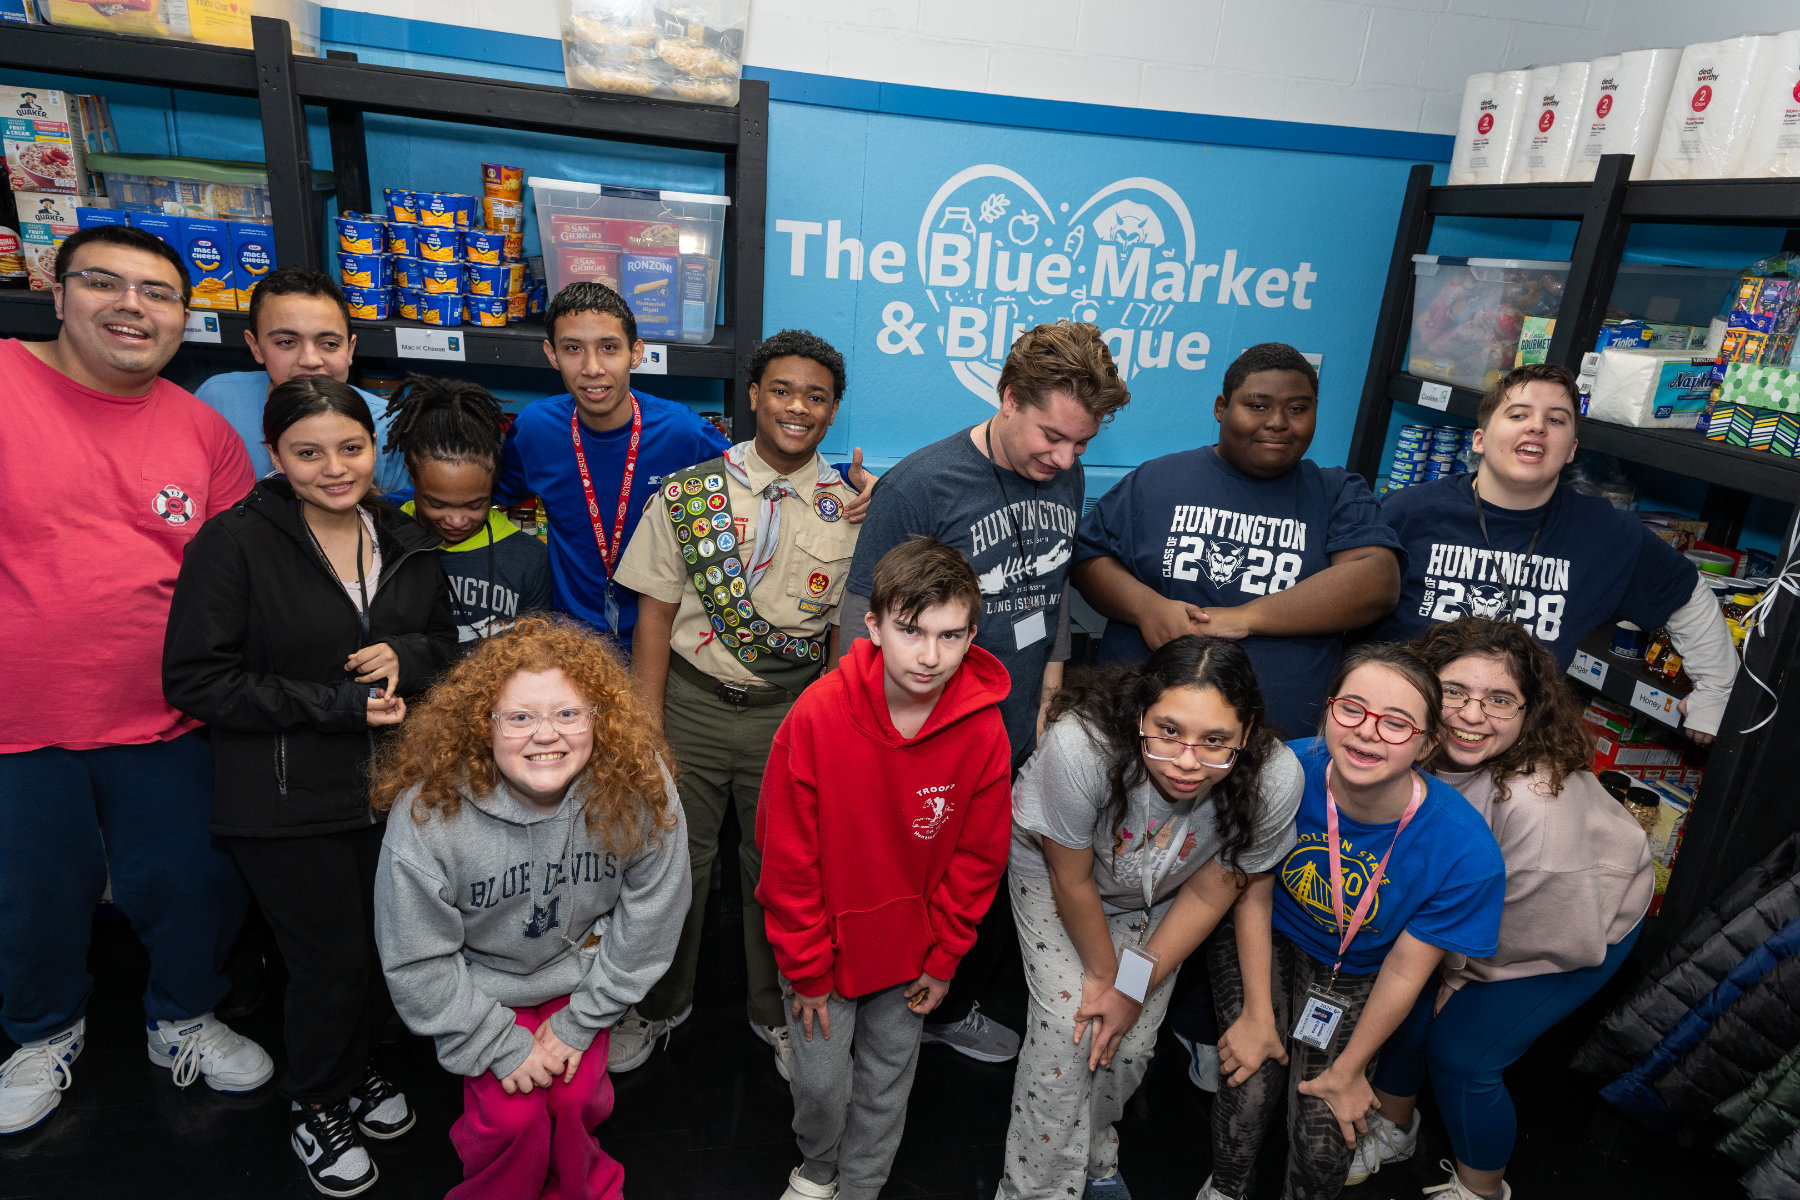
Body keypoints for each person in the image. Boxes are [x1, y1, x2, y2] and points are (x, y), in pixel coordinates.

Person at [0, 224, 272, 1136]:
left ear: (183, 317)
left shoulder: (201, 429)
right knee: (29, 896)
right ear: (56, 293)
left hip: (169, 716)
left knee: (195, 883)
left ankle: (184, 1017)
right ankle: (41, 1033)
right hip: (17, 720)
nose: (131, 306)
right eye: (104, 283)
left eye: (157, 293)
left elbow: (238, 579)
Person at [163, 377, 458, 1196]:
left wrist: (407, 655)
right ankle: (317, 1101)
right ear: (274, 455)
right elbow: (196, 680)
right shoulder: (235, 543)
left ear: (375, 449)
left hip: (388, 791)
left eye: (351, 448)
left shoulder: (403, 536)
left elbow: (445, 643)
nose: (334, 468)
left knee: (381, 949)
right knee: (330, 959)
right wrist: (335, 705)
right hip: (283, 798)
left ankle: (351, 1069)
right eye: (308, 452)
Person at [840, 320, 1132, 1064]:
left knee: (981, 882)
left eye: (1081, 445)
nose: (1064, 459)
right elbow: (859, 623)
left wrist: (1053, 685)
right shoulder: (921, 485)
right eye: (1051, 436)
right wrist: (869, 749)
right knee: (912, 888)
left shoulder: (1062, 473)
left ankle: (946, 1009)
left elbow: (1050, 585)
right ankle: (885, 1025)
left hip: (1017, 730)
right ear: (1007, 398)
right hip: (927, 741)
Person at [609, 329, 860, 1078]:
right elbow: (655, 615)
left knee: (780, 869)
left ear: (833, 410)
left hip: (790, 714)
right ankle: (660, 1002)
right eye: (781, 390)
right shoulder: (690, 494)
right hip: (691, 703)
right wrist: (646, 724)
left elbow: (843, 634)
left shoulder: (851, 508)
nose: (797, 407)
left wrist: (831, 728)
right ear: (753, 396)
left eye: (816, 397)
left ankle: (775, 1010)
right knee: (672, 864)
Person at [371, 616, 690, 1200]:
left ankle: (587, 1189)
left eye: (568, 713)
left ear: (600, 718)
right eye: (519, 717)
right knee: (512, 1118)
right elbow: (416, 960)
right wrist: (497, 1043)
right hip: (479, 991)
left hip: (584, 976)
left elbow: (655, 913)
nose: (546, 735)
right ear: (483, 724)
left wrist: (583, 1019)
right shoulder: (429, 814)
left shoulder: (638, 785)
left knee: (575, 1099)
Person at [1348, 619, 1653, 1200]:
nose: (1471, 715)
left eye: (1499, 699)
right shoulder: (1410, 739)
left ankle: (1481, 1188)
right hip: (1476, 916)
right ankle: (1393, 1128)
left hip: (1574, 925)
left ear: (1529, 712)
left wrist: (1457, 975)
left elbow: (1546, 926)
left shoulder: (1536, 806)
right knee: (1400, 1009)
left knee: (1463, 1056)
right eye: (1454, 691)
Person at [998, 635, 1303, 1200]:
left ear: (1247, 731)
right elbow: (1072, 879)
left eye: (1215, 741)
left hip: (1163, 892)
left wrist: (1129, 989)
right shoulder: (1080, 745)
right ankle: (1034, 1190)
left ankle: (1094, 1154)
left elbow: (1208, 897)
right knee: (1069, 1029)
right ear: (1140, 711)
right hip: (1061, 876)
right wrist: (1102, 976)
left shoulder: (1274, 777)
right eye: (1168, 731)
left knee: (1130, 1043)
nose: (1187, 761)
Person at [1198, 643, 1506, 1200]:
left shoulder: (1465, 850)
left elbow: (1406, 970)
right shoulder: (1282, 772)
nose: (1367, 732)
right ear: (1328, 709)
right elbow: (1252, 890)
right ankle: (1225, 1188)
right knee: (1251, 1081)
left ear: (1428, 743)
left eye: (1396, 722)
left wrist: (1351, 1069)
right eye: (1352, 709)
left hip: (1357, 968)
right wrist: (1257, 1015)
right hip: (1262, 932)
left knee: (1324, 1135)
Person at [757, 537, 1012, 1200]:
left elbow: (979, 858)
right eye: (910, 631)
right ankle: (818, 1166)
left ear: (972, 636)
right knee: (820, 1082)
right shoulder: (817, 714)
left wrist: (945, 954)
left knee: (885, 1080)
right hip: (821, 943)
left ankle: (863, 1185)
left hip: (913, 949)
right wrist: (806, 967)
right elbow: (787, 858)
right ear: (871, 626)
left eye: (950, 635)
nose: (929, 656)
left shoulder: (984, 729)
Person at [1364, 362, 1736, 742]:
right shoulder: (1407, 513)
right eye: (1518, 414)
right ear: (1479, 439)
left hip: (1512, 743)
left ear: (1571, 450)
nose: (1537, 427)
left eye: (1556, 420)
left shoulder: (1606, 533)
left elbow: (1686, 594)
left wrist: (1716, 692)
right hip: (1399, 731)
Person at [1071, 342, 1402, 739]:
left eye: (1298, 409)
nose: (1278, 422)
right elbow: (1088, 557)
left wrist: (1244, 619)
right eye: (1257, 406)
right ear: (1221, 408)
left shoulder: (1337, 492)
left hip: (1277, 741)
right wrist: (1145, 607)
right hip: (1139, 730)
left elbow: (1377, 581)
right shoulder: (1158, 479)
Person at [194, 265, 409, 493]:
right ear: (255, 347)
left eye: (329, 344)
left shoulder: (391, 426)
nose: (310, 360)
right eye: (286, 342)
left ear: (349, 349)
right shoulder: (218, 403)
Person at [385, 374, 552, 648]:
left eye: (475, 505)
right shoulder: (381, 537)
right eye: (437, 504)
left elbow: (535, 656)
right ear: (411, 474)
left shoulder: (528, 559)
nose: (456, 521)